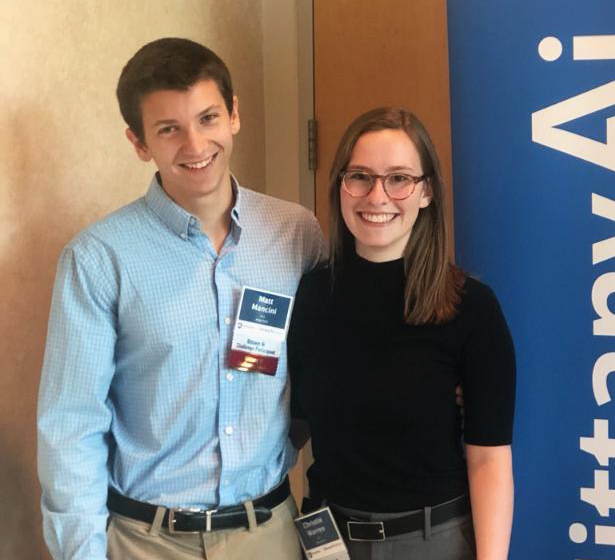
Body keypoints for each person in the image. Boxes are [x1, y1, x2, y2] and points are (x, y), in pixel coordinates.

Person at [37, 38, 325, 560]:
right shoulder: (98, 258)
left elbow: (331, 360)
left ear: (234, 116)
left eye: (208, 118)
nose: (195, 145)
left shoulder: (296, 233)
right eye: (169, 129)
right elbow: (71, 427)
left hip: (270, 533)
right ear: (139, 142)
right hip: (146, 541)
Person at [287, 107, 516, 560]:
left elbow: (489, 459)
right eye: (360, 176)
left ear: (426, 191)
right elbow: (290, 424)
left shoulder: (471, 306)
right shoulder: (309, 295)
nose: (377, 196)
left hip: (433, 543)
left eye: (399, 178)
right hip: (326, 539)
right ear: (340, 186)